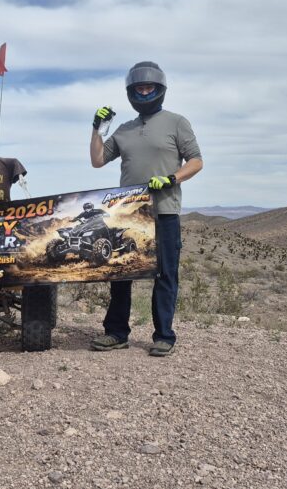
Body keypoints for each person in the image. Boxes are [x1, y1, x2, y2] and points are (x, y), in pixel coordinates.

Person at [88, 61, 203, 357]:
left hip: (164, 211)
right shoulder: (125, 130)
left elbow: (196, 161)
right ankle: (116, 333)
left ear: (159, 89)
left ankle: (164, 336)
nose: (143, 91)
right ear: (131, 92)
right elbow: (98, 160)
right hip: (129, 213)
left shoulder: (177, 122)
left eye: (148, 87)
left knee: (165, 276)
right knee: (121, 273)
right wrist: (97, 130)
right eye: (139, 88)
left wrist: (171, 178)